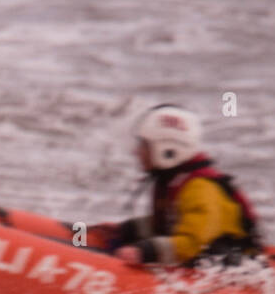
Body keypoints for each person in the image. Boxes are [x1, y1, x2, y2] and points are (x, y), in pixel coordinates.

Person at [90, 104, 261, 267]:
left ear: (167, 149)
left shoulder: (200, 187)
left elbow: (192, 243)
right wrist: (126, 230)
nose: (136, 152)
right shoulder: (175, 180)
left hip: (225, 270)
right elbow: (171, 222)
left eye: (144, 145)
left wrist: (144, 252)